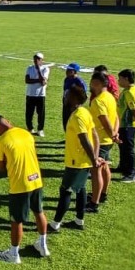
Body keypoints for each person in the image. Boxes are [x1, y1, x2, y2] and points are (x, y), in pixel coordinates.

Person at [0, 115, 49, 263]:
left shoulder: (0, 142)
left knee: (16, 220)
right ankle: (43, 246)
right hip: (36, 180)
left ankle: (14, 254)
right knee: (39, 212)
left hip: (20, 185)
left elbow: (0, 168)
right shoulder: (26, 133)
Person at [48, 85, 102, 232]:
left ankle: (55, 224)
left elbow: (85, 139)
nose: (65, 97)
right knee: (80, 189)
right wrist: (95, 157)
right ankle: (79, 221)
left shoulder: (78, 116)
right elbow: (95, 135)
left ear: (73, 98)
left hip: (76, 161)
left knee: (66, 191)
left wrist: (94, 159)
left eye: (67, 95)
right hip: (84, 160)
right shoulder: (85, 112)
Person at [88, 72, 120, 212]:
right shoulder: (110, 97)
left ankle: (94, 203)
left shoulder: (98, 101)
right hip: (107, 140)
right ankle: (103, 194)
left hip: (100, 141)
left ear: (96, 83)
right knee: (105, 167)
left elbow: (104, 120)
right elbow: (116, 117)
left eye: (91, 82)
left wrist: (113, 134)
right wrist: (114, 134)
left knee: (96, 171)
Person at [24, 52, 50, 136]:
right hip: (30, 94)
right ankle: (30, 128)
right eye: (35, 58)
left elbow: (43, 82)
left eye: (38, 59)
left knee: (41, 113)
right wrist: (39, 80)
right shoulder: (29, 68)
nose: (36, 60)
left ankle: (40, 129)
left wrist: (38, 70)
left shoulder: (45, 69)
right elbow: (27, 80)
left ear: (42, 60)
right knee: (29, 113)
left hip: (40, 95)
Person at [61, 63, 86, 131]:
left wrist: (77, 105)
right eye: (67, 69)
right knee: (66, 123)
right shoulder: (66, 79)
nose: (67, 71)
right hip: (66, 104)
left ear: (75, 71)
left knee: (73, 124)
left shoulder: (79, 81)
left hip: (74, 106)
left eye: (69, 70)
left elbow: (84, 95)